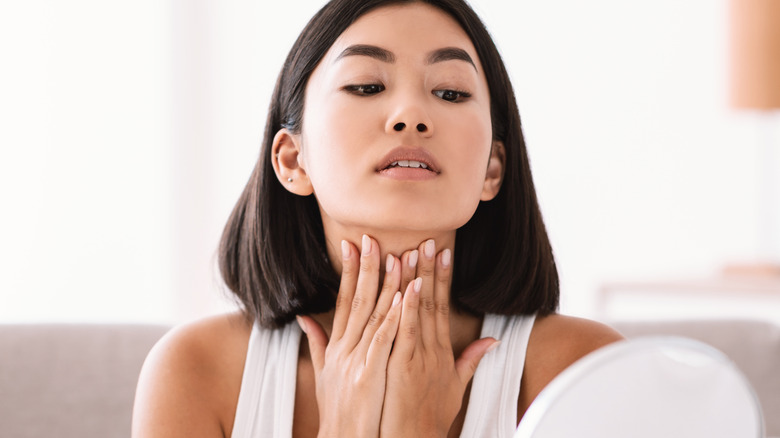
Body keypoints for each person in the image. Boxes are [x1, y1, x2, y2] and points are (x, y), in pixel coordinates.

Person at [132, 0, 624, 437]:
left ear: (492, 170)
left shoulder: (583, 371)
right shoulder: (196, 373)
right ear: (291, 161)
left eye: (450, 93)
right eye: (366, 86)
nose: (410, 115)